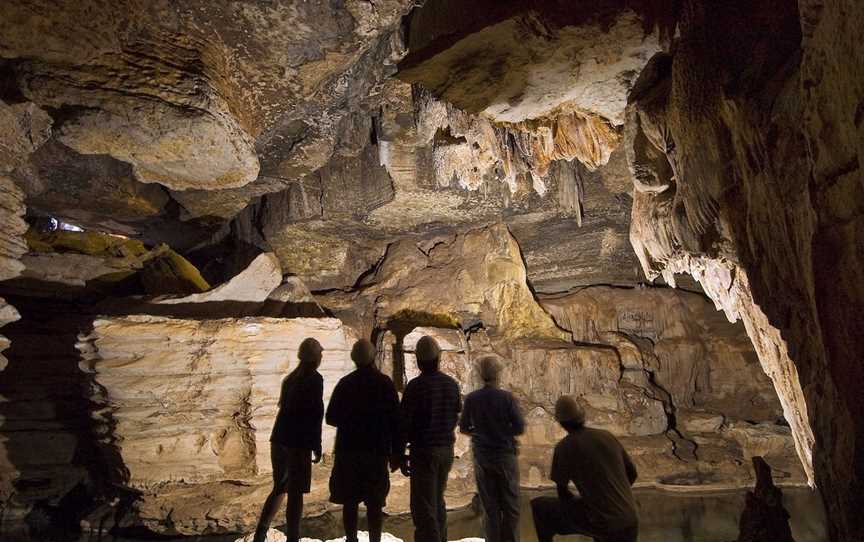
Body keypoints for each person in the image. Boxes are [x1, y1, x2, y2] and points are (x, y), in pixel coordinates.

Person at [530, 396, 639, 542]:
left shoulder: (565, 447)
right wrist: (613, 497)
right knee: (594, 510)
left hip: (604, 523)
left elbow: (562, 493)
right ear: (581, 416)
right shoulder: (607, 436)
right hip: (630, 519)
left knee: (539, 507)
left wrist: (585, 499)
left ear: (561, 422)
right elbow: (632, 474)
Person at [326, 339, 402, 542]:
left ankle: (351, 539)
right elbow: (396, 420)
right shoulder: (384, 383)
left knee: (349, 501)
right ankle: (375, 540)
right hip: (377, 450)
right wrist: (397, 453)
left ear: (354, 358)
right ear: (373, 357)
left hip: (349, 450)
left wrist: (351, 418)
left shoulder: (345, 383)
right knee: (375, 502)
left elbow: (331, 417)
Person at [253, 338, 325, 542]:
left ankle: (261, 532)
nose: (321, 357)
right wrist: (316, 444)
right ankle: (293, 537)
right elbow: (315, 414)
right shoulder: (314, 379)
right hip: (298, 441)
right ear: (315, 358)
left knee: (280, 487)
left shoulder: (291, 379)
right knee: (296, 493)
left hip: (279, 438)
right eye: (320, 354)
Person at [399, 335, 462, 542]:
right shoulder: (451, 385)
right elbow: (456, 413)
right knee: (438, 500)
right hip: (446, 449)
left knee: (423, 506)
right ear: (439, 358)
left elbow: (404, 423)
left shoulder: (415, 387)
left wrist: (399, 453)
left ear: (418, 361)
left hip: (424, 450)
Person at [459, 356, 525, 542]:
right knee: (511, 507)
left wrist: (479, 432)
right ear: (497, 374)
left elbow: (464, 427)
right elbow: (519, 427)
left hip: (483, 456)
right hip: (504, 455)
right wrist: (502, 431)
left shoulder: (472, 399)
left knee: (490, 507)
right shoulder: (507, 398)